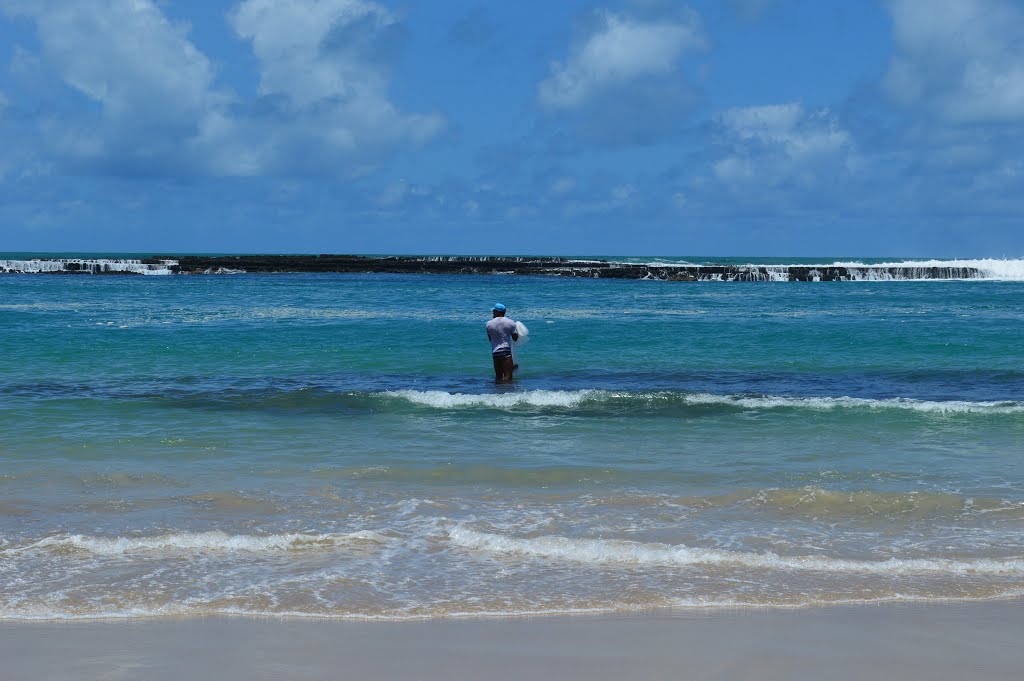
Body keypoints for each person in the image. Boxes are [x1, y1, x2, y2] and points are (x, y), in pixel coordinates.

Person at [486, 303, 519, 382]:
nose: (493, 312)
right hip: (506, 351)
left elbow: (490, 339)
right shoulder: (510, 322)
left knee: (498, 377)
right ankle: (508, 394)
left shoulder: (488, 324)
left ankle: (498, 393)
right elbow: (515, 338)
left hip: (495, 352)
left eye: (494, 311)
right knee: (508, 377)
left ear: (497, 312)